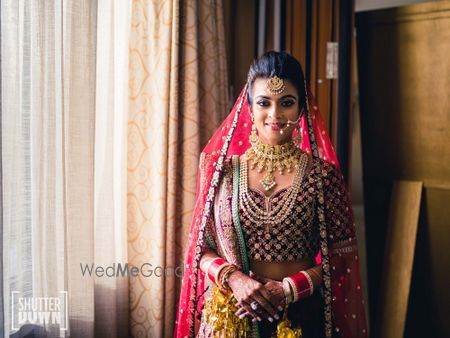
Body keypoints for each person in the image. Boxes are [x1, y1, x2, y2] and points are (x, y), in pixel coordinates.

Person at [174, 51, 368, 338]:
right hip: (232, 316)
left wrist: (287, 289)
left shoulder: (323, 176)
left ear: (301, 109)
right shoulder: (221, 172)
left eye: (286, 103)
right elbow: (200, 248)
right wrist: (236, 280)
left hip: (297, 317)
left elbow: (341, 257)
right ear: (249, 107)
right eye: (264, 103)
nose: (275, 115)